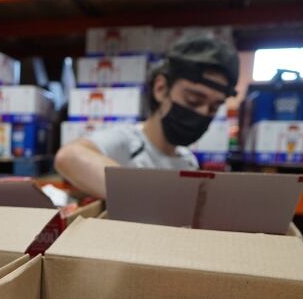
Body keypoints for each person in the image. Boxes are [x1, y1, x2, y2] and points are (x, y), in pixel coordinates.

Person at [55, 36, 239, 198]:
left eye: (214, 108)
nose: (202, 113)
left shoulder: (188, 161)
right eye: (193, 100)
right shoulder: (129, 141)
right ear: (161, 89)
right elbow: (70, 156)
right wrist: (146, 197)